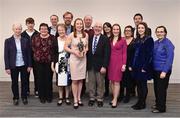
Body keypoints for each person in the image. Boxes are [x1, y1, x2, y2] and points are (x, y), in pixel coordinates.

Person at [4, 23, 32, 105]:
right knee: (14, 82)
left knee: (24, 82)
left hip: (24, 65)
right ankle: (16, 97)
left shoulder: (25, 40)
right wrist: (7, 67)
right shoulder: (8, 41)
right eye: (16, 29)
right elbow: (6, 55)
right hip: (13, 66)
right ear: (13, 29)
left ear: (21, 29)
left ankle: (24, 97)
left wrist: (30, 65)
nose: (18, 30)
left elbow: (28, 54)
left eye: (19, 29)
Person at [64, 18, 88, 109]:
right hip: (74, 59)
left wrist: (85, 51)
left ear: (82, 25)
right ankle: (74, 99)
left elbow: (87, 47)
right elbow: (65, 47)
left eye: (81, 24)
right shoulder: (71, 35)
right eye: (77, 24)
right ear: (75, 25)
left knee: (81, 80)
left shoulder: (85, 35)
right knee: (74, 80)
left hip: (83, 59)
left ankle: (79, 98)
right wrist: (74, 52)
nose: (79, 25)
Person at [131, 22, 154, 110]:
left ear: (145, 29)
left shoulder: (149, 39)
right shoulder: (136, 39)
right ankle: (139, 101)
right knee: (138, 85)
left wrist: (145, 67)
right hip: (136, 66)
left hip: (143, 66)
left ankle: (143, 103)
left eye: (142, 28)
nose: (140, 29)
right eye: (139, 28)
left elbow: (150, 55)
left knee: (143, 85)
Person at [87, 22, 110, 107]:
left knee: (100, 83)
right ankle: (92, 98)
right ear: (93, 28)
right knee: (91, 82)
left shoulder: (105, 39)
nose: (97, 28)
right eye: (96, 27)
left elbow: (107, 54)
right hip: (90, 64)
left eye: (99, 27)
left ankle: (100, 98)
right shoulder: (89, 37)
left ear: (101, 29)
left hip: (100, 66)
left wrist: (104, 66)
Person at [152, 26, 174, 113]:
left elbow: (169, 59)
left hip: (163, 70)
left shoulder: (168, 44)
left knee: (161, 89)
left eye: (161, 32)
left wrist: (164, 71)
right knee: (157, 88)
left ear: (165, 33)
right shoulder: (156, 42)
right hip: (155, 69)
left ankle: (161, 108)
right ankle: (158, 103)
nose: (159, 33)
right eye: (157, 32)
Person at [32, 23, 55, 103]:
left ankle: (49, 96)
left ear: (48, 29)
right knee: (40, 79)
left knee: (49, 79)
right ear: (39, 29)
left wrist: (53, 61)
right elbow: (33, 48)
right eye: (42, 28)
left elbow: (54, 50)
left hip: (49, 62)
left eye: (45, 28)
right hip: (38, 62)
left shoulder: (52, 38)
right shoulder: (35, 37)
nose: (44, 30)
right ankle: (42, 96)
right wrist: (38, 56)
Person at [51, 23, 71, 106]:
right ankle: (60, 97)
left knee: (67, 80)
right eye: (59, 30)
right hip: (58, 61)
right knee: (59, 80)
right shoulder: (55, 39)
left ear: (65, 30)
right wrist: (52, 64)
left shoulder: (69, 39)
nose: (61, 31)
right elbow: (53, 53)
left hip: (68, 60)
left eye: (62, 30)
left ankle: (66, 97)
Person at [108, 24, 127, 108]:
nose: (115, 31)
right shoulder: (109, 39)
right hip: (110, 63)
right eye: (114, 29)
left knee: (117, 82)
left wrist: (124, 64)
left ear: (119, 30)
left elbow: (124, 53)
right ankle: (113, 97)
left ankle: (115, 99)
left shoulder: (123, 40)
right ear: (112, 30)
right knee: (111, 81)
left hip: (119, 63)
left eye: (117, 29)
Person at [21, 17, 39, 97]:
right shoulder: (22, 34)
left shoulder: (37, 34)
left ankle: (37, 90)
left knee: (37, 75)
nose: (30, 25)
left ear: (34, 24)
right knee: (25, 75)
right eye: (29, 23)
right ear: (26, 24)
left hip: (36, 57)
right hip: (26, 58)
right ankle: (27, 90)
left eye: (32, 23)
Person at [120, 25, 135, 103]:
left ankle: (127, 96)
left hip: (130, 64)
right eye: (126, 30)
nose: (127, 32)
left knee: (128, 80)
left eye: (129, 30)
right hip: (122, 63)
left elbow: (135, 54)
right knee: (121, 80)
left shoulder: (134, 41)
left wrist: (131, 65)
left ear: (132, 32)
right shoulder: (122, 40)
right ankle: (121, 95)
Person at [103, 22, 112, 97]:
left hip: (113, 58)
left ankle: (115, 92)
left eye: (108, 27)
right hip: (105, 58)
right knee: (105, 77)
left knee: (112, 76)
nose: (106, 28)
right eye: (105, 27)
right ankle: (106, 91)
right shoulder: (102, 37)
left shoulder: (114, 36)